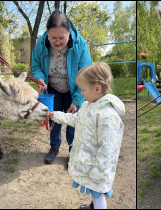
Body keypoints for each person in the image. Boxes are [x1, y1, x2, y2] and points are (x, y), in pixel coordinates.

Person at [49, 62, 125, 209]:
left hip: (98, 169)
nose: (81, 93)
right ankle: (93, 205)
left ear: (97, 88)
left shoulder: (107, 116)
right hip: (90, 164)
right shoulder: (89, 106)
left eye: (83, 89)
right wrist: (56, 116)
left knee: (98, 194)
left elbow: (108, 150)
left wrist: (99, 173)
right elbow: (77, 119)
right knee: (95, 194)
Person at [31, 9, 92, 164]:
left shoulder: (80, 44)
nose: (57, 42)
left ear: (69, 32)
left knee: (73, 121)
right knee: (54, 118)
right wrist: (40, 78)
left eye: (61, 38)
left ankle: (73, 151)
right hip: (53, 89)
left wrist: (77, 100)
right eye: (53, 38)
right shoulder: (41, 43)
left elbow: (86, 74)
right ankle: (54, 147)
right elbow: (36, 65)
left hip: (75, 90)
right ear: (47, 34)